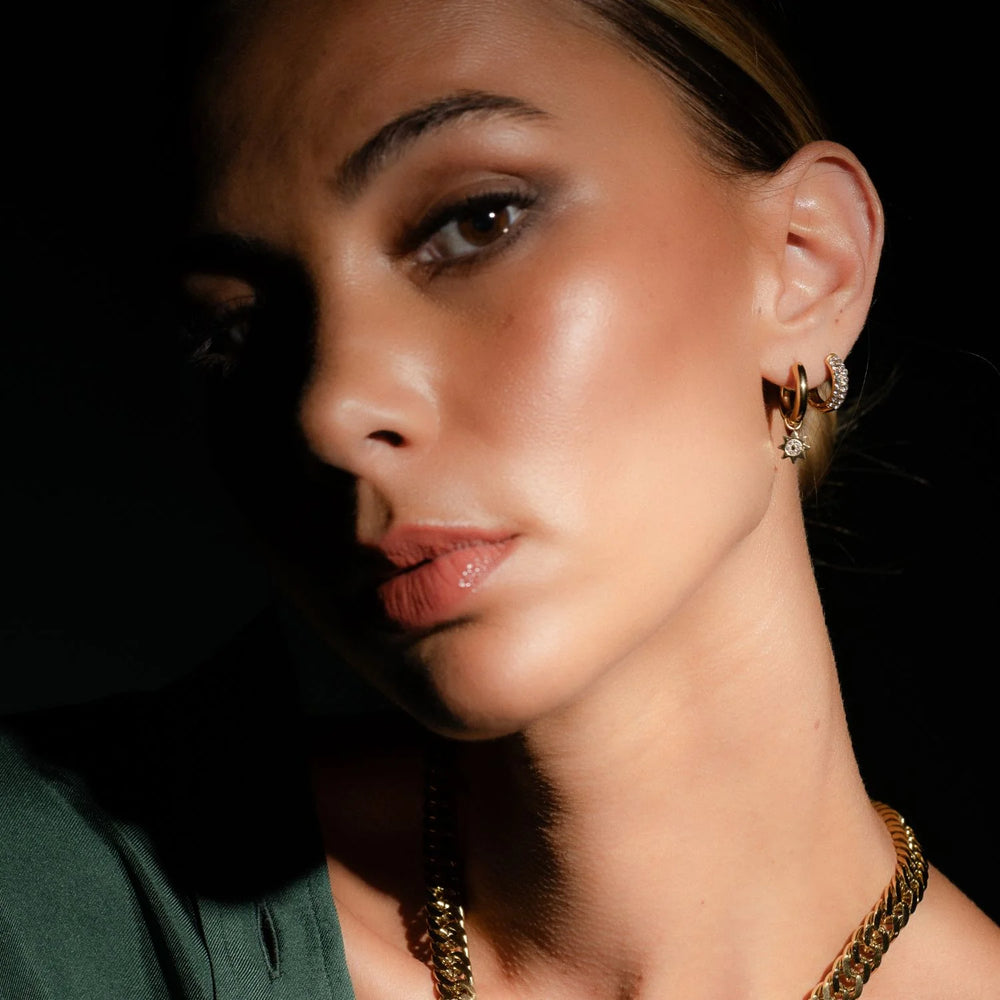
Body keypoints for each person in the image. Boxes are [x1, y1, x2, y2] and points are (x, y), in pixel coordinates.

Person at [3, 1, 999, 998]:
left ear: (805, 263)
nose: (328, 409)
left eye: (476, 222)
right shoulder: (51, 908)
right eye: (233, 329)